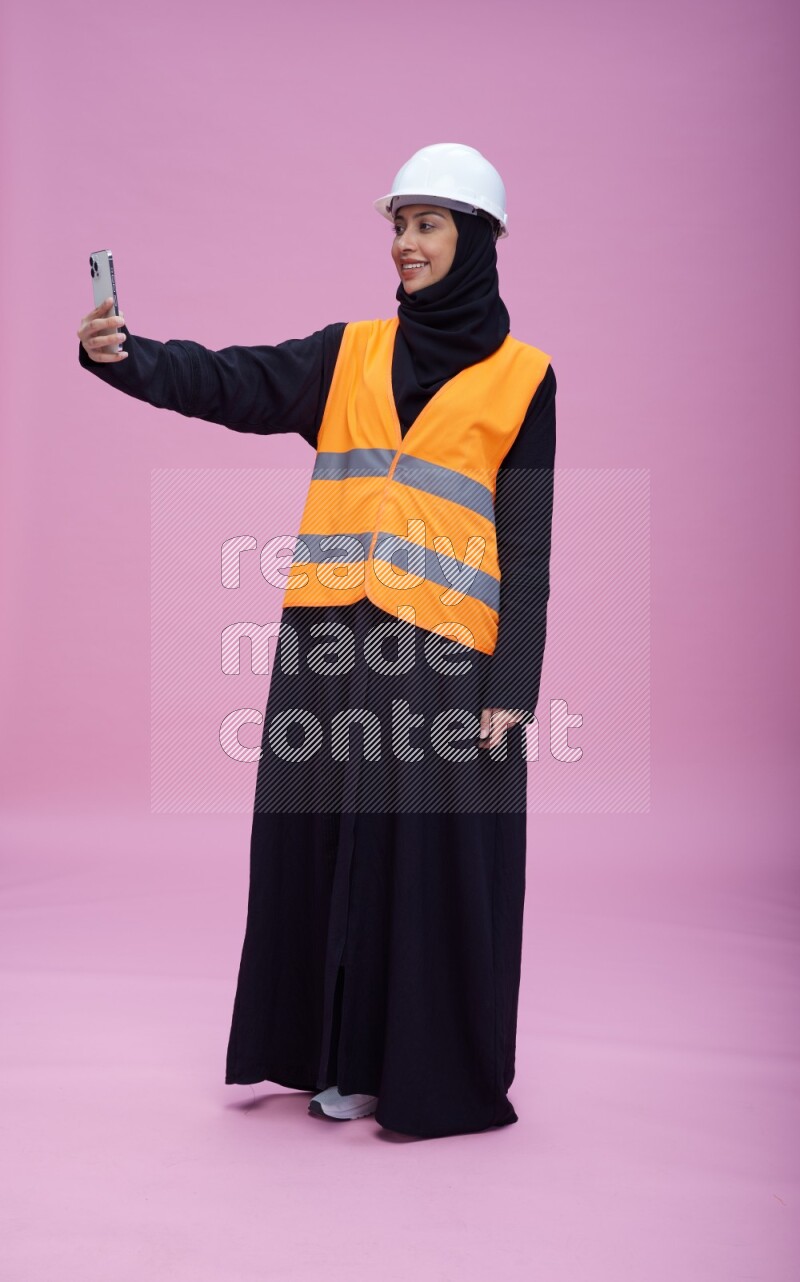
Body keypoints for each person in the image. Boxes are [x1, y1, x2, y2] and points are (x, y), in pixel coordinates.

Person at [76, 142, 557, 1139]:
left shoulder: (525, 380)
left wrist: (511, 689)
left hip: (443, 658)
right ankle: (329, 1057)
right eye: (398, 225)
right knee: (323, 845)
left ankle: (406, 1070)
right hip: (329, 644)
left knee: (415, 860)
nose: (406, 245)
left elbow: (526, 542)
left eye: (427, 225)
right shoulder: (351, 354)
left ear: (474, 239)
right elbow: (238, 384)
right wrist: (129, 358)